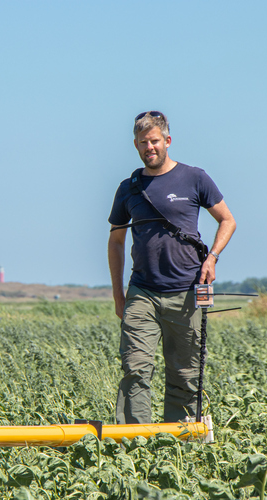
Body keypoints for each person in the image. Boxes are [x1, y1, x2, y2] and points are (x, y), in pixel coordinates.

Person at [107, 110, 235, 424]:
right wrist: (118, 296)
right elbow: (116, 242)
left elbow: (227, 220)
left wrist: (212, 257)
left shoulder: (195, 178)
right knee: (135, 369)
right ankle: (135, 444)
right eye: (142, 143)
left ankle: (178, 446)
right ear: (135, 146)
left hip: (187, 292)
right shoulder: (129, 188)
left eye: (154, 141)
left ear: (167, 140)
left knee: (186, 373)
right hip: (142, 293)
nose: (149, 147)